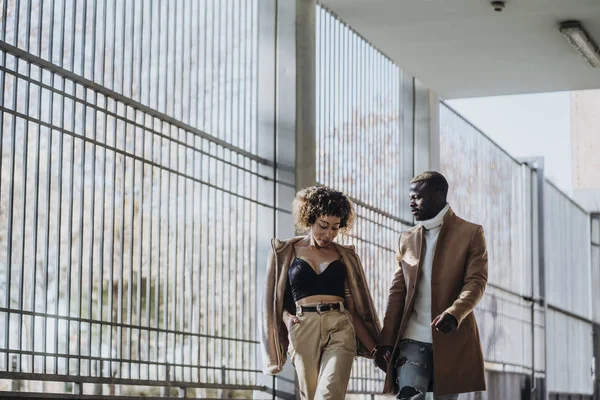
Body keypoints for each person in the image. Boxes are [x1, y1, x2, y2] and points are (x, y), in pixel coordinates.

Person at [375, 171, 488, 399]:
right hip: (411, 340)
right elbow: (397, 292)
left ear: (438, 196)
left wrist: (455, 313)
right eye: (410, 197)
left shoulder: (471, 233)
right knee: (408, 396)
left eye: (417, 197)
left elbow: (476, 282)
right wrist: (386, 341)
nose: (411, 203)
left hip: (451, 337)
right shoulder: (406, 239)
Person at [260, 186, 381, 400]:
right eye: (323, 226)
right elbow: (274, 301)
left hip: (340, 327)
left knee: (329, 394)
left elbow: (354, 310)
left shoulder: (345, 256)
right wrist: (287, 320)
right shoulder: (284, 252)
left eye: (335, 228)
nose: (329, 234)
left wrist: (375, 350)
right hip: (303, 328)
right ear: (310, 218)